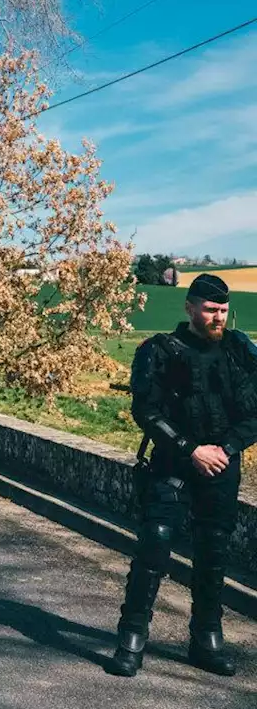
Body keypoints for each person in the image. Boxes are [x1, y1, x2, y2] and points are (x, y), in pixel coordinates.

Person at [106, 273, 257, 678]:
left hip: (222, 466)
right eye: (210, 310)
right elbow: (146, 411)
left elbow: (254, 412)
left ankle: (206, 639)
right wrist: (192, 451)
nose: (218, 318)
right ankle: (131, 638)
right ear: (189, 308)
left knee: (213, 554)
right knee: (153, 548)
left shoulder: (240, 350)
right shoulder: (160, 350)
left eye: (224, 310)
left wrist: (223, 449)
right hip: (173, 464)